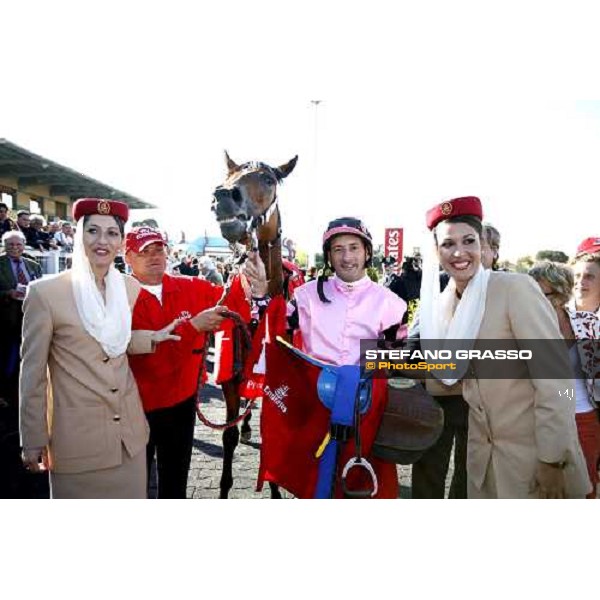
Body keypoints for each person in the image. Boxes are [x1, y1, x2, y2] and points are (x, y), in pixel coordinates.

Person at [418, 195, 589, 498]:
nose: (459, 252)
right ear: (436, 251)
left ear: (482, 244)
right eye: (448, 244)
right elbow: (447, 381)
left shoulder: (514, 289)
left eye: (468, 241)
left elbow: (556, 380)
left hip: (535, 460)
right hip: (482, 465)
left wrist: (553, 458)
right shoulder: (443, 308)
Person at [19, 199, 181, 499]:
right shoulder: (45, 294)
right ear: (79, 236)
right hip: (78, 441)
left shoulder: (129, 288)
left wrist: (151, 338)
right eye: (92, 231)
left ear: (121, 242)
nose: (102, 241)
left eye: (112, 233)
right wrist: (32, 438)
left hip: (129, 438)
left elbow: (113, 342)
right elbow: (32, 373)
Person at [245, 216, 407, 498]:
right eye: (338, 249)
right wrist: (260, 296)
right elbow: (276, 335)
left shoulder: (392, 304)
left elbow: (393, 362)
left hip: (364, 415)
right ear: (329, 256)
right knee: (310, 487)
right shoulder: (305, 296)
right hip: (312, 410)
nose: (347, 257)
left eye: (354, 247)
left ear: (367, 252)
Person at [125, 226, 229, 498]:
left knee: (174, 483)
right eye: (143, 251)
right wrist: (192, 326)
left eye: (158, 249)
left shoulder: (191, 286)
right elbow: (130, 347)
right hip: (133, 407)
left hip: (180, 404)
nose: (153, 256)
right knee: (132, 486)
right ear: (127, 258)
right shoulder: (115, 296)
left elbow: (232, 301)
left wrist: (252, 280)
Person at [529, 260, 600, 498]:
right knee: (548, 491)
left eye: (542, 294)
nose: (533, 301)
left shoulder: (588, 325)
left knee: (586, 487)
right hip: (544, 422)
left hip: (585, 420)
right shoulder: (525, 330)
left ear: (560, 294)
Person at [0, 231, 43, 497]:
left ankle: (21, 392)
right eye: (11, 245)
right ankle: (7, 397)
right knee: (6, 363)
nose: (16, 248)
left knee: (26, 362)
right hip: (5, 324)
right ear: (4, 247)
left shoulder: (34, 265)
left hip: (29, 324)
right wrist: (8, 293)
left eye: (19, 244)